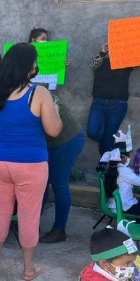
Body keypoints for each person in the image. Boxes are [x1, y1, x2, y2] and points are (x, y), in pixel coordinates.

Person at [0, 43, 62, 281]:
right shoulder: (38, 93)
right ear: (29, 67)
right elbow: (54, 130)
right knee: (29, 215)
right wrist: (55, 111)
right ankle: (28, 268)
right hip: (31, 164)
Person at [39, 94, 85, 243]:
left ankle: (59, 229)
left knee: (59, 184)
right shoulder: (21, 90)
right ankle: (32, 224)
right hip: (50, 143)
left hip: (65, 140)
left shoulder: (37, 92)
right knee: (41, 182)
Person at [103, 148, 140, 224]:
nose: (132, 157)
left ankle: (136, 225)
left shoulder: (117, 167)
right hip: (123, 205)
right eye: (131, 154)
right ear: (124, 157)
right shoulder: (123, 171)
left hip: (120, 203)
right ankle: (135, 231)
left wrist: (133, 168)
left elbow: (129, 177)